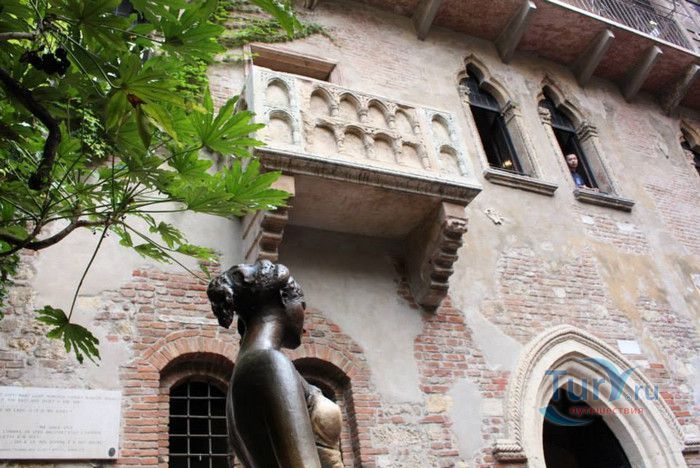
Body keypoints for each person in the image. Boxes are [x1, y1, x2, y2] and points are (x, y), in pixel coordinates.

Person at [207, 260, 343, 468]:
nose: (305, 326)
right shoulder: (269, 363)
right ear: (284, 300)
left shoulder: (248, 366)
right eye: (302, 306)